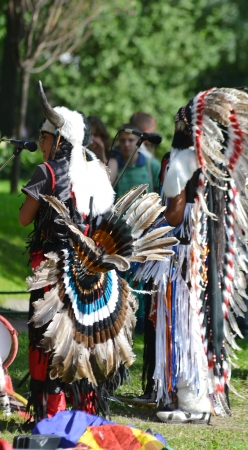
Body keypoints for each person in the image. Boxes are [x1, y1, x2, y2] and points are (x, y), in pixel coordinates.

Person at [18, 81, 177, 421]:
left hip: (54, 272)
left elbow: (23, 219)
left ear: (58, 138)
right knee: (86, 341)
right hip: (94, 274)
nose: (41, 144)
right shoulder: (97, 170)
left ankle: (53, 415)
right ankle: (86, 411)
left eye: (44, 138)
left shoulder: (47, 171)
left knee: (51, 341)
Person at [134, 87, 248, 424]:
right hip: (207, 256)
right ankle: (200, 395)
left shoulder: (180, 161)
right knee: (204, 322)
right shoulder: (214, 162)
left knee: (182, 325)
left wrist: (142, 224)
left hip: (182, 258)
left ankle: (191, 401)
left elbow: (175, 214)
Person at [108, 124, 161, 196]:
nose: (126, 144)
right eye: (122, 140)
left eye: (131, 140)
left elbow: (160, 195)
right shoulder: (113, 166)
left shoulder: (152, 165)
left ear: (139, 141)